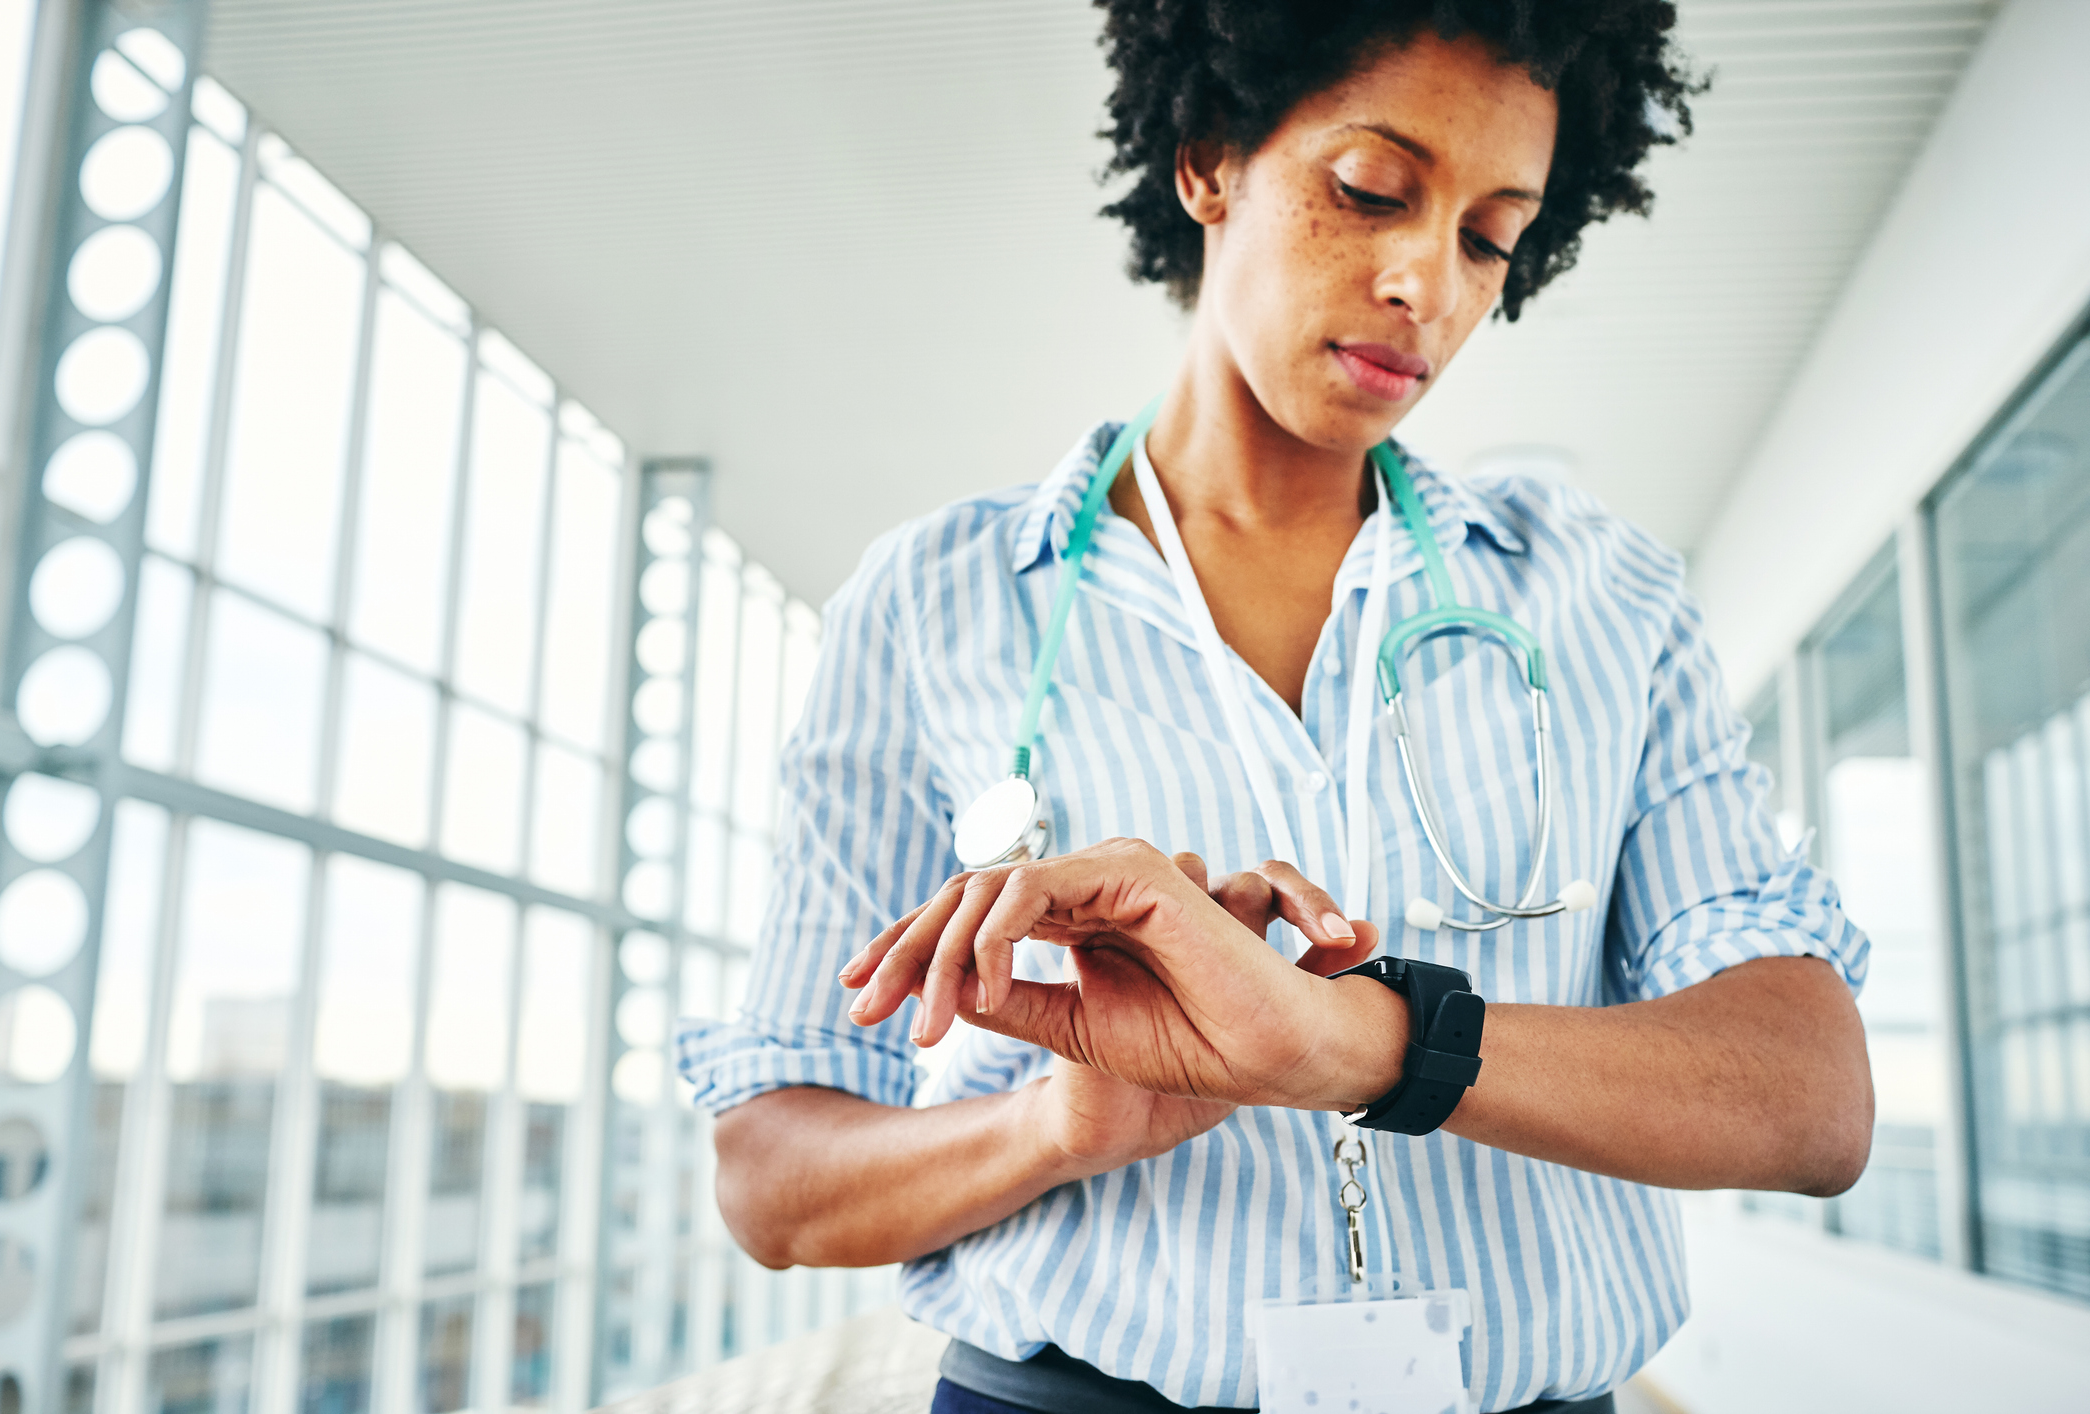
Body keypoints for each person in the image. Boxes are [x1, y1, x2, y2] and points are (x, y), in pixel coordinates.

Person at [676, 4, 1875, 1411]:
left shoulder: (1596, 600)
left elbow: (1808, 1096)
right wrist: (1059, 1123)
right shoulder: (938, 601)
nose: (1426, 281)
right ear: (1206, 159)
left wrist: (1348, 1039)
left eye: (1489, 236)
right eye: (1371, 190)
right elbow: (773, 1184)